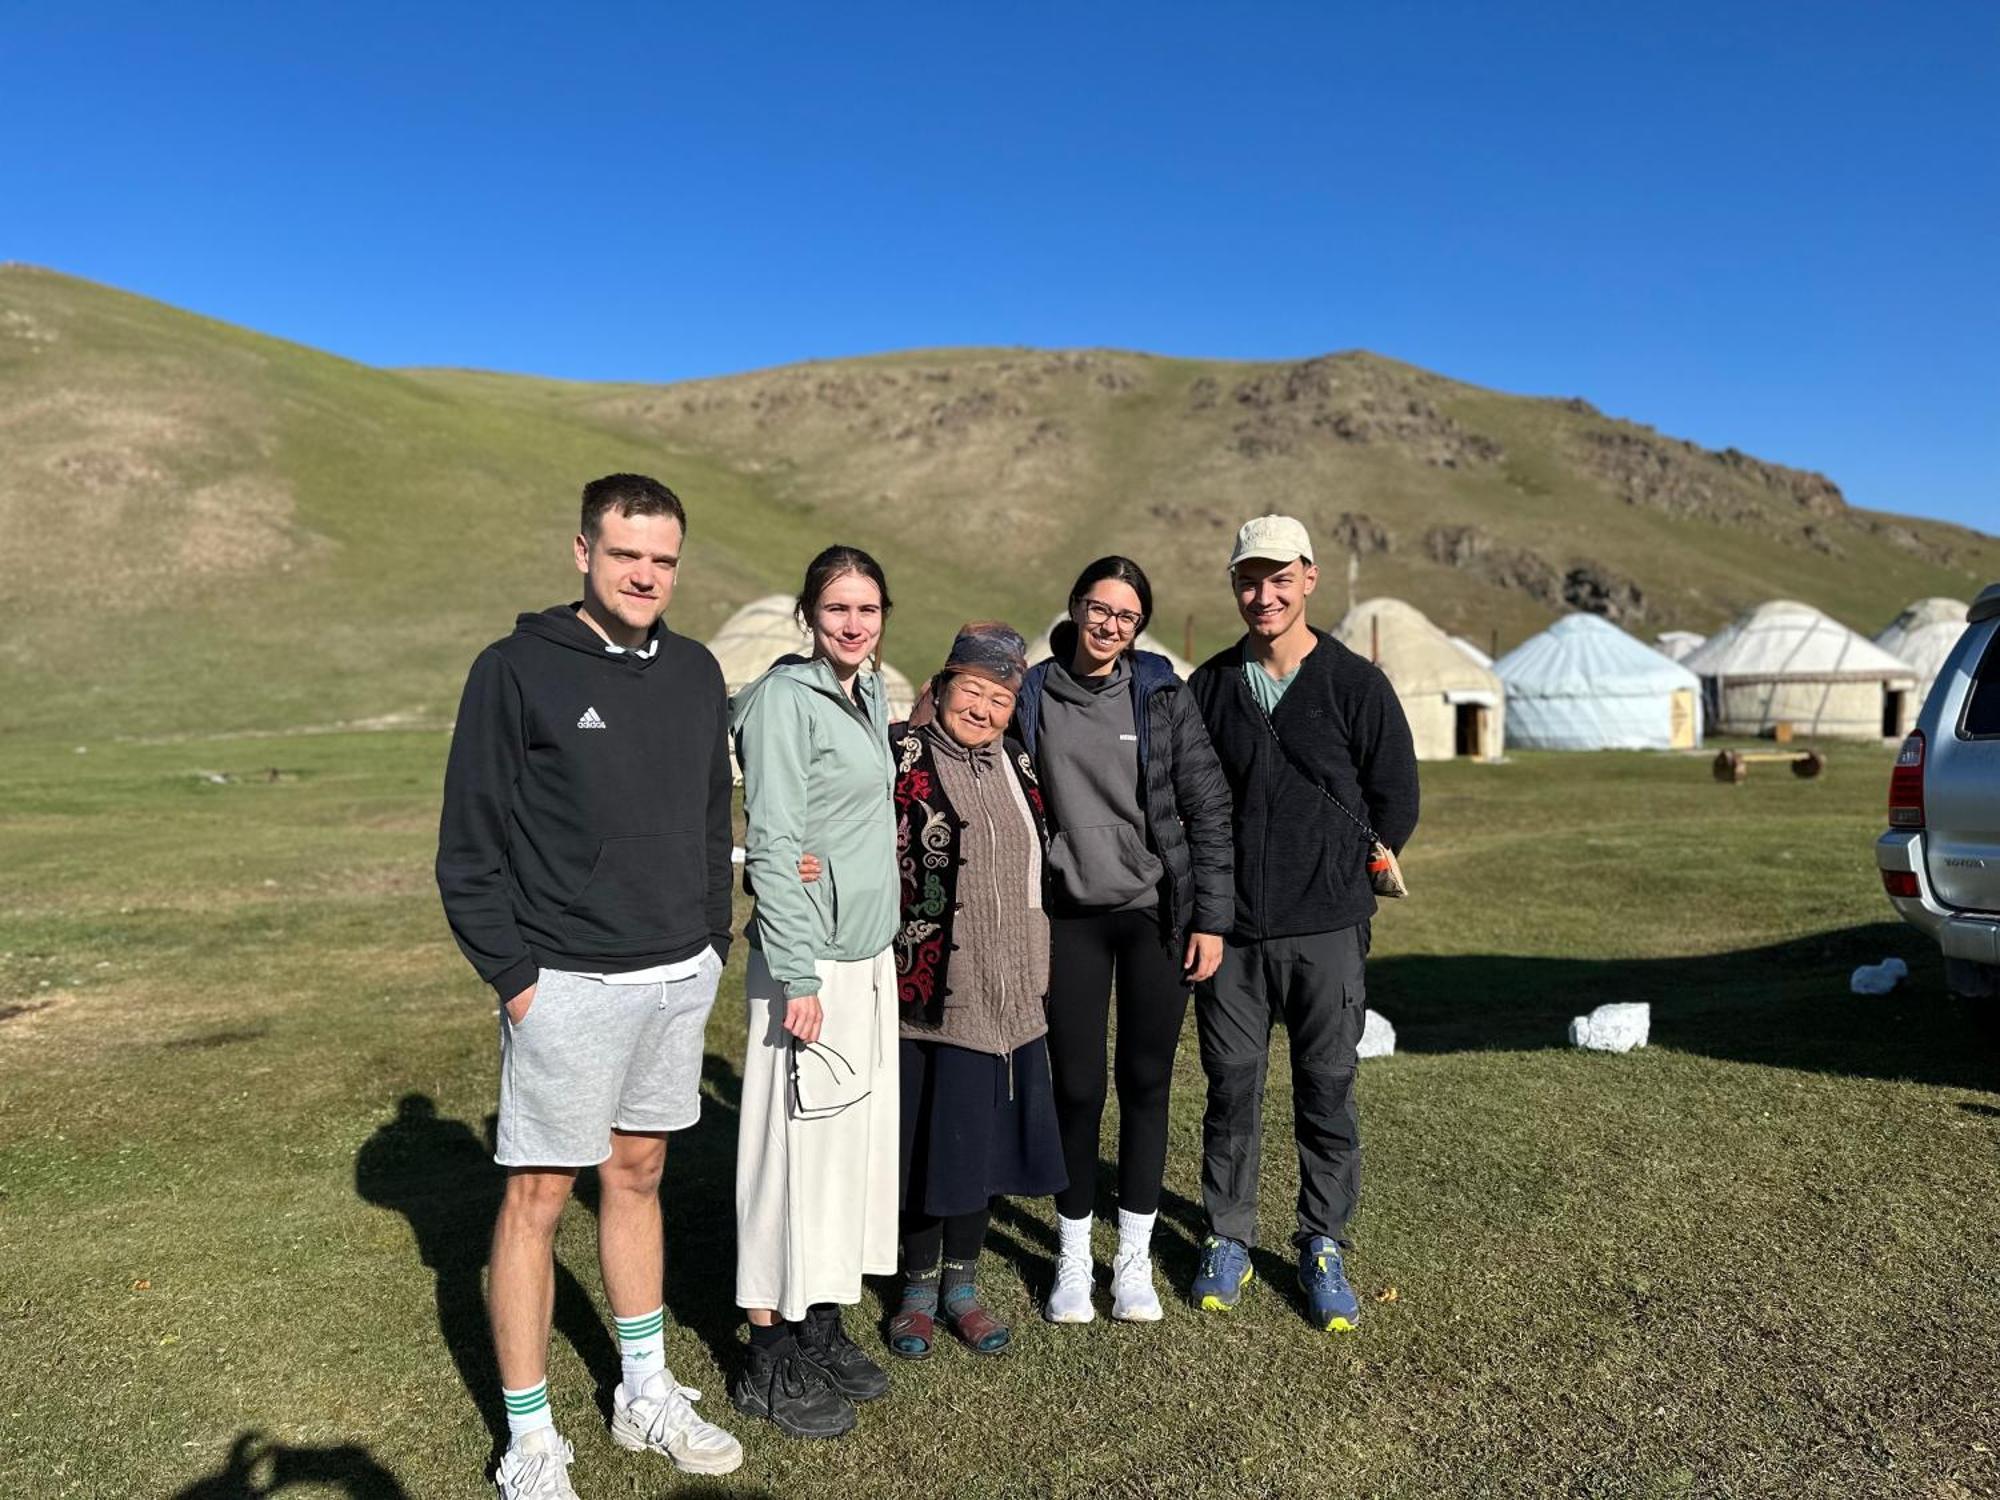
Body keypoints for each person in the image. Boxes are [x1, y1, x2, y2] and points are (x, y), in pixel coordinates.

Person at [436, 473, 743, 1499]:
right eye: (626, 555)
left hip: (673, 976)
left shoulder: (699, 672)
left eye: (662, 559)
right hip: (563, 980)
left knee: (639, 1174)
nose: (645, 574)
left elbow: (711, 822)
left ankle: (643, 1390)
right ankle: (529, 1439)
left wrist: (709, 941)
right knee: (534, 1196)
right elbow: (468, 845)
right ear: (582, 552)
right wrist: (517, 979)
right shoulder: (515, 670)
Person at [1184, 515, 1419, 1332]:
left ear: (1309, 579)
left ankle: (1322, 1239)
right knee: (1232, 1088)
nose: (1264, 595)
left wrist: (1335, 875)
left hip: (1325, 927)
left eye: (1280, 578)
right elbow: (1189, 799)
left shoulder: (1357, 684)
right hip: (1233, 932)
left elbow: (1396, 799)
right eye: (1249, 580)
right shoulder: (1211, 685)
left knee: (1326, 1087)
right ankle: (1229, 1235)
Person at [1013, 558, 1233, 1323]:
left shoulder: (1161, 695)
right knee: (1075, 1087)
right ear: (1075, 608)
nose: (1110, 626)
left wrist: (1210, 918)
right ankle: (1073, 1259)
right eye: (1099, 610)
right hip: (1068, 913)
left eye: (1127, 617)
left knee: (1146, 1083)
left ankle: (1131, 1260)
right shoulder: (1033, 691)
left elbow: (1208, 809)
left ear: (1139, 628)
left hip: (1152, 914)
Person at [730, 546, 900, 1440]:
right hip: (810, 964)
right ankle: (765, 1359)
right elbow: (774, 842)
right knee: (785, 1161)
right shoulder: (783, 703)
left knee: (845, 1159)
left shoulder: (866, 694)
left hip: (863, 955)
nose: (853, 622)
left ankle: (821, 1325)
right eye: (837, 607)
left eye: (868, 608)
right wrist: (797, 974)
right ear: (809, 613)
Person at [884, 622, 1067, 1358]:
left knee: (981, 1143)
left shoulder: (1019, 764)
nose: (984, 709)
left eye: (1000, 698)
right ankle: (917, 1289)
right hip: (931, 987)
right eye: (973, 691)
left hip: (1011, 988)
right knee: (932, 1141)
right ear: (943, 686)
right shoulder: (902, 756)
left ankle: (964, 1283)